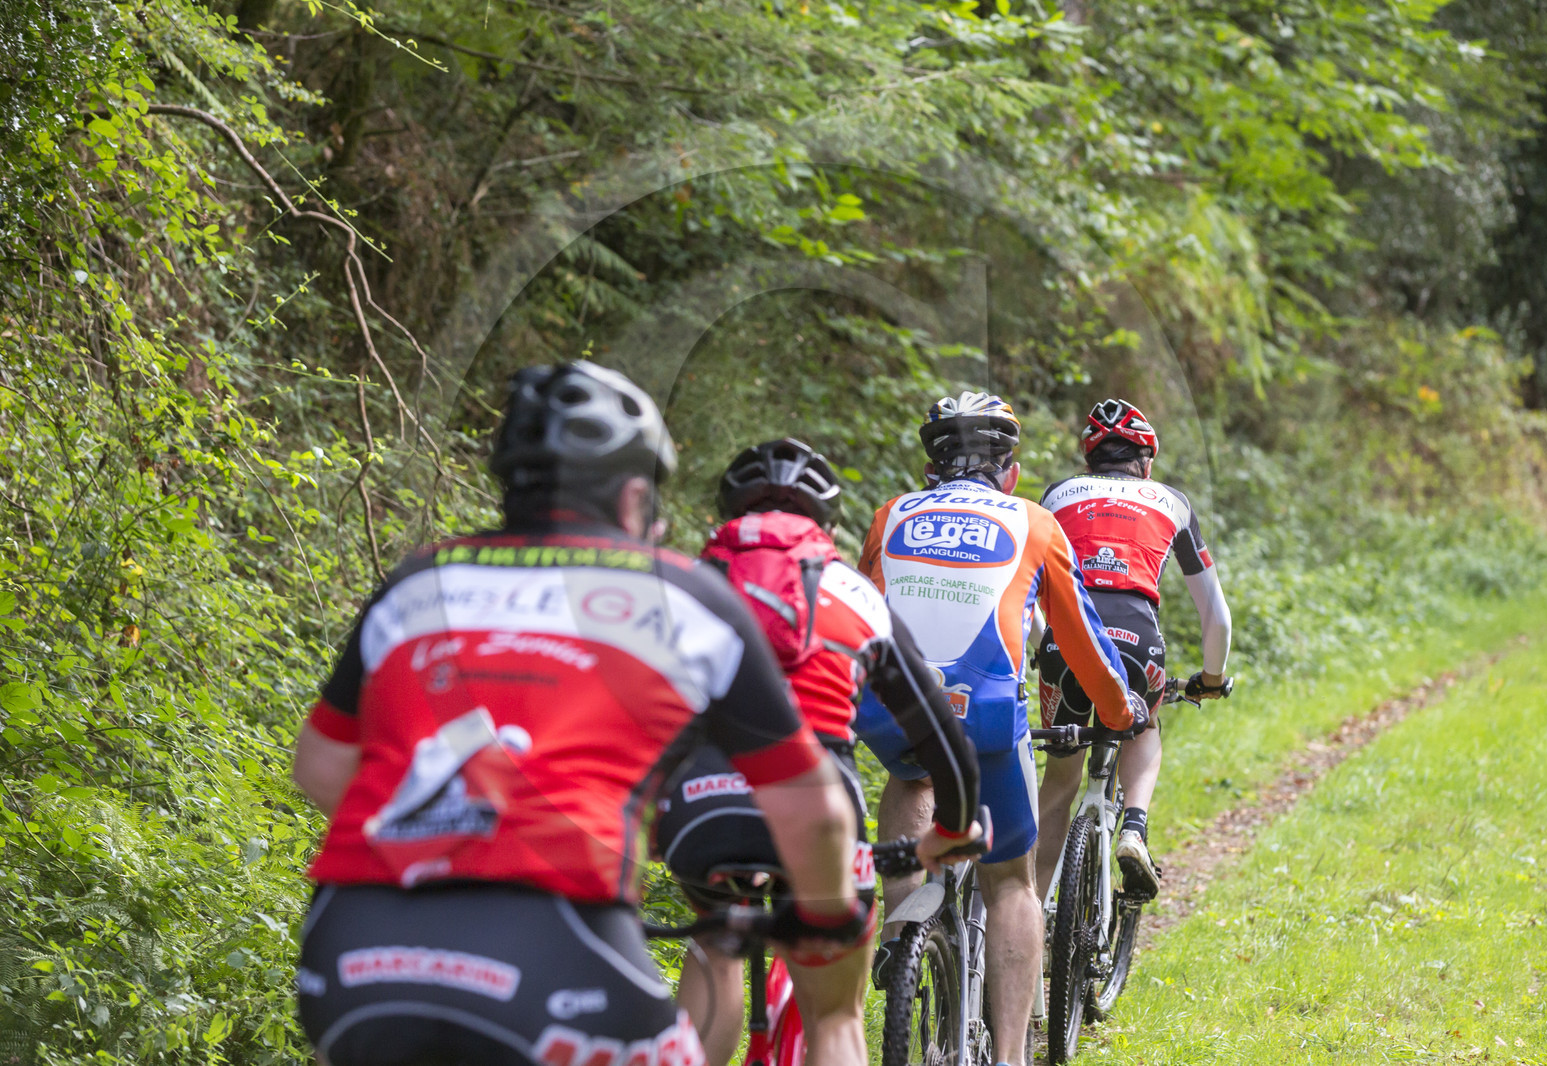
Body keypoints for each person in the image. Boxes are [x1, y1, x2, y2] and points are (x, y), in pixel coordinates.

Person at [290, 363, 867, 1066]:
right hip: (556, 951)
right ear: (633, 493)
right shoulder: (684, 597)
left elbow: (319, 766)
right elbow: (816, 813)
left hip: (355, 952)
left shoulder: (420, 578)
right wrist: (826, 918)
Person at [654, 438, 984, 1066]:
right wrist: (952, 824)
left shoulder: (680, 588)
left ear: (724, 519)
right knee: (835, 1015)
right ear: (827, 524)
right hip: (816, 812)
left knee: (715, 949)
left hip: (703, 804)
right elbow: (940, 734)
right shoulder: (856, 595)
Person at [855, 391, 1149, 1066]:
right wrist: (1118, 711)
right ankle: (1013, 1054)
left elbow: (863, 614)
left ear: (930, 466)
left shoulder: (888, 516)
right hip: (986, 715)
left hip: (891, 709)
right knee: (1011, 884)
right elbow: (1081, 641)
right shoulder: (1034, 522)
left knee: (911, 772)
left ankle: (903, 936)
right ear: (1010, 468)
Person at [1034, 398, 1233, 901]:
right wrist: (1210, 679)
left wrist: (1046, 647)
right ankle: (1134, 830)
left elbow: (1029, 585)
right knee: (1144, 723)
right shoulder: (1172, 502)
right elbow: (1216, 616)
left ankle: (1027, 909)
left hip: (1067, 640)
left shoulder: (1057, 495)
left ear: (1089, 461)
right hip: (1137, 642)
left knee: (1061, 775)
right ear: (1147, 463)